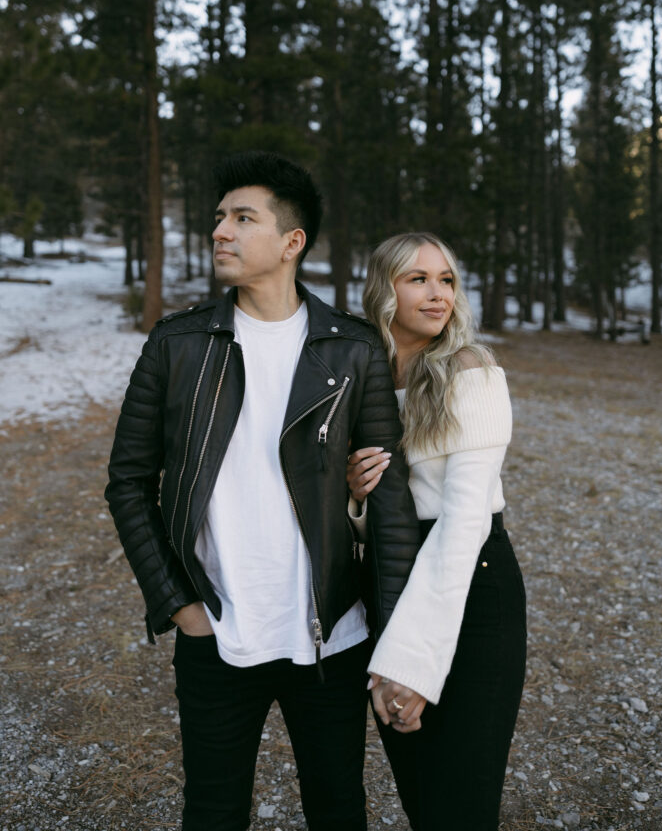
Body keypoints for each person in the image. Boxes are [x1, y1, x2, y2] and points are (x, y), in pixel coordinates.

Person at [105, 152, 422, 831]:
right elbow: (128, 482)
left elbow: (389, 502)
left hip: (331, 637)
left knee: (338, 811)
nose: (219, 230)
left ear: (290, 242)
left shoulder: (353, 349)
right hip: (217, 633)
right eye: (219, 217)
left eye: (241, 218)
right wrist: (177, 603)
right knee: (214, 812)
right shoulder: (177, 344)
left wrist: (395, 644)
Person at [347, 232, 527, 831]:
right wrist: (355, 497)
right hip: (390, 579)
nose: (437, 293)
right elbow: (368, 520)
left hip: (470, 585)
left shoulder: (469, 371)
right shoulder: (364, 376)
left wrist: (411, 664)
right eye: (417, 278)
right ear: (384, 288)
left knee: (461, 804)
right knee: (422, 797)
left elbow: (464, 522)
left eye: (446, 279)